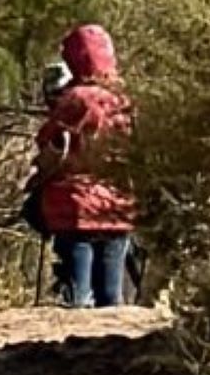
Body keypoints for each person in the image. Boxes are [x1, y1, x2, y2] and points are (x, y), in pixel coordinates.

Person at [33, 23, 136, 309]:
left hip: (74, 207)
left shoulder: (76, 99)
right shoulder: (125, 100)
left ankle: (72, 348)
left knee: (77, 297)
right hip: (118, 207)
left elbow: (49, 142)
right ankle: (110, 350)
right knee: (111, 298)